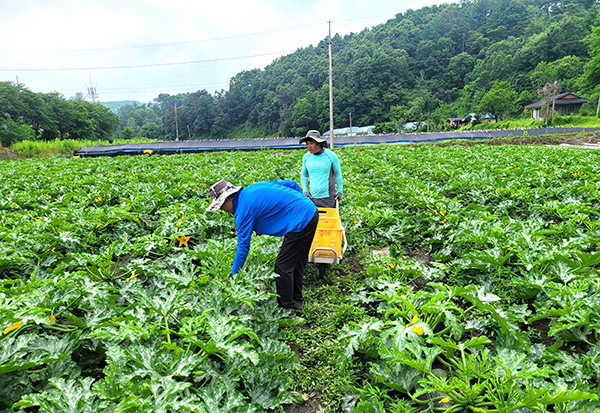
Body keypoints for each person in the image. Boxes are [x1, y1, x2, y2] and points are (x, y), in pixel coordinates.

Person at [206, 179, 319, 318]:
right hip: (310, 211)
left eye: (222, 207)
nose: (224, 211)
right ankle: (297, 302)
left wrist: (233, 275)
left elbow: (243, 247)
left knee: (282, 267)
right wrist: (297, 205)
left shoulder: (243, 211)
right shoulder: (253, 188)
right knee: (296, 262)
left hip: (301, 221)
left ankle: (286, 311)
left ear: (228, 199)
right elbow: (292, 184)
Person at [299, 130, 343, 208]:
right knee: (314, 220)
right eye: (307, 144)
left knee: (328, 220)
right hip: (312, 197)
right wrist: (305, 190)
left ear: (319, 143)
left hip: (328, 198)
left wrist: (340, 192)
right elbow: (304, 175)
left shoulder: (331, 156)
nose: (309, 146)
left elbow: (338, 174)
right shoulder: (306, 157)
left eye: (311, 143)